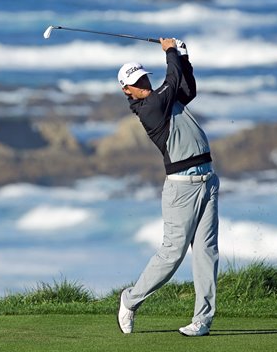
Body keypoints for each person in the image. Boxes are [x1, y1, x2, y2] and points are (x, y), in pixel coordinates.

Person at [116, 37, 220, 337]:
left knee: (206, 252)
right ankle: (130, 300)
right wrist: (171, 51)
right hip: (181, 188)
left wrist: (184, 57)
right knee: (172, 255)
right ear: (127, 90)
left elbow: (187, 88)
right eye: (137, 81)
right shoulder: (149, 108)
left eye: (144, 77)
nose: (144, 82)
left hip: (207, 181)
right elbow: (172, 82)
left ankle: (202, 320)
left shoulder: (164, 98)